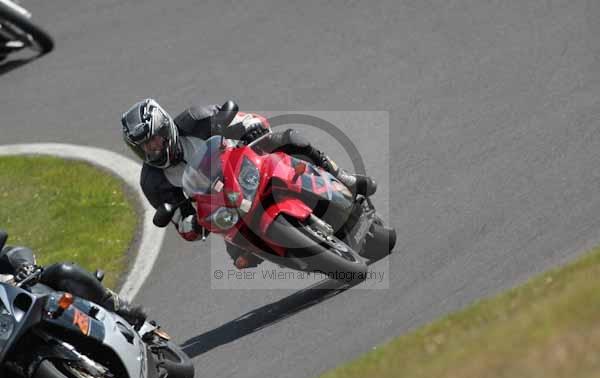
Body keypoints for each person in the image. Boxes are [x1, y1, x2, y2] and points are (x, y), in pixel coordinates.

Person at [120, 99, 377, 266]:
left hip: (246, 167)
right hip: (224, 207)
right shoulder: (153, 182)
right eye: (143, 147)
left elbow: (245, 119)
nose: (151, 149)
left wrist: (252, 128)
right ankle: (297, 256)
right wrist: (192, 224)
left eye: (154, 139)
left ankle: (343, 177)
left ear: (166, 128)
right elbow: (181, 221)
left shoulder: (196, 119)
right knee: (240, 258)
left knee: (290, 139)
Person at [0, 240, 147, 328]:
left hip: (37, 299)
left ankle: (119, 308)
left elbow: (13, 251)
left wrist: (24, 266)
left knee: (64, 271)